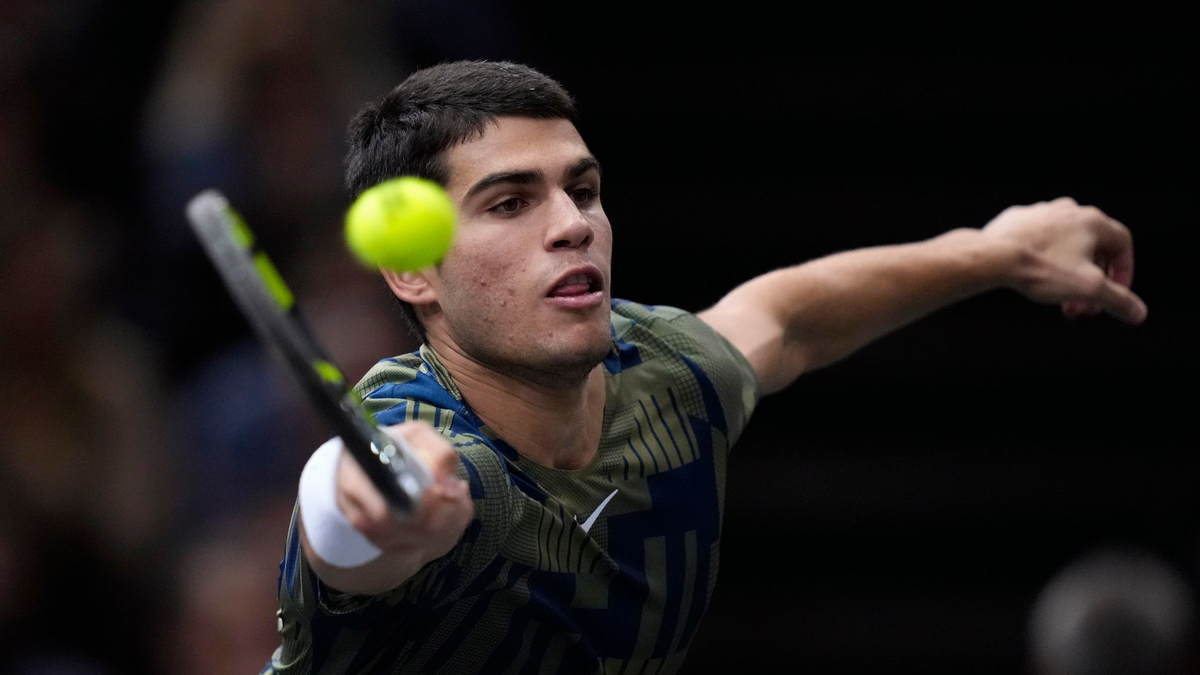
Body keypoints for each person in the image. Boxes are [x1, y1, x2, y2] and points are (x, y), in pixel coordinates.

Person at [263, 59, 1147, 675]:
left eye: (584, 188)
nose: (572, 223)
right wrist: (376, 502)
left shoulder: (665, 376)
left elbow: (788, 318)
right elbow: (346, 522)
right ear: (413, 270)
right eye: (509, 202)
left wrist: (998, 249)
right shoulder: (427, 442)